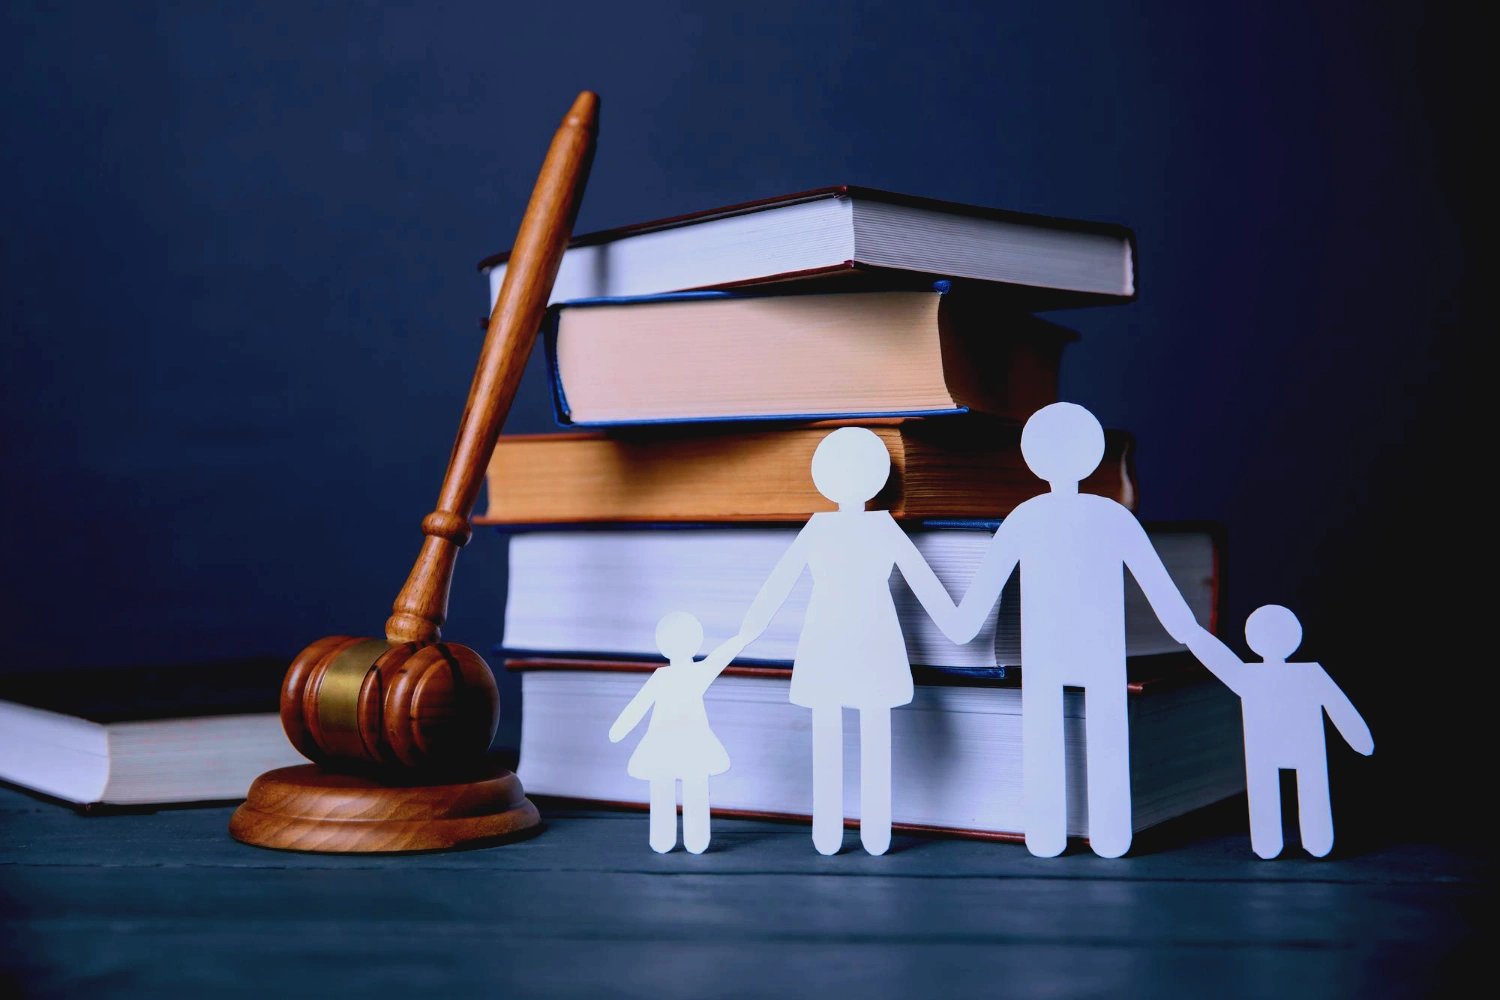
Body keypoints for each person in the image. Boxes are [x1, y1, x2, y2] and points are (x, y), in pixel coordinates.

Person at [950, 402, 1218, 859]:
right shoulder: (1110, 515)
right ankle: (1105, 835)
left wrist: (945, 620)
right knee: (1103, 732)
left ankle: (1052, 835)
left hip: (1053, 652)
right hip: (1093, 651)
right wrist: (1197, 638)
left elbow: (971, 613)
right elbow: (1168, 602)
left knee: (1049, 736)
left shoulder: (1027, 517)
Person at [734, 426, 965, 856]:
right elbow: (778, 585)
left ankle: (862, 833)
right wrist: (748, 630)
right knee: (847, 730)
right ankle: (842, 832)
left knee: (851, 730)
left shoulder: (857, 528)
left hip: (851, 636)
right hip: (849, 636)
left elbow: (778, 585)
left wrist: (748, 630)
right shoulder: (834, 528)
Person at [1186, 605, 1373, 858]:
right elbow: (1339, 707)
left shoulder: (1250, 675)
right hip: (1301, 747)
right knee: (1306, 787)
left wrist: (1191, 634)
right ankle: (1311, 841)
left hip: (1272, 748)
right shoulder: (1305, 674)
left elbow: (1219, 660)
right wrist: (1359, 739)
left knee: (1270, 789)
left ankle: (1273, 843)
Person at [608, 611, 747, 854]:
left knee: (683, 785)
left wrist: (741, 639)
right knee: (672, 784)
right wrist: (741, 638)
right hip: (670, 742)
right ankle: (673, 840)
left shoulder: (691, 673)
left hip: (683, 742)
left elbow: (721, 657)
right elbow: (638, 706)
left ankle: (691, 840)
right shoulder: (673, 675)